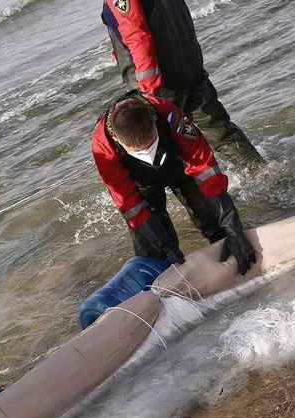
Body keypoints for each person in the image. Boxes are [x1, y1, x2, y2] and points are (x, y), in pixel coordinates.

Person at [93, 91, 256, 275]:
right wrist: (165, 244)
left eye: (150, 144)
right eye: (139, 151)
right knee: (154, 251)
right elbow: (129, 204)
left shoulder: (168, 114)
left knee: (212, 219)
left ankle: (232, 257)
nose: (147, 153)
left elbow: (204, 167)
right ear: (118, 141)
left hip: (176, 165)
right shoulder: (103, 146)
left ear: (154, 123)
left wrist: (233, 228)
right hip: (140, 184)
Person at [101, 0, 263, 167]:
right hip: (189, 67)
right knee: (221, 132)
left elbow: (138, 39)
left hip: (161, 85)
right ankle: (260, 172)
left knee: (164, 150)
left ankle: (201, 189)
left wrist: (149, 96)